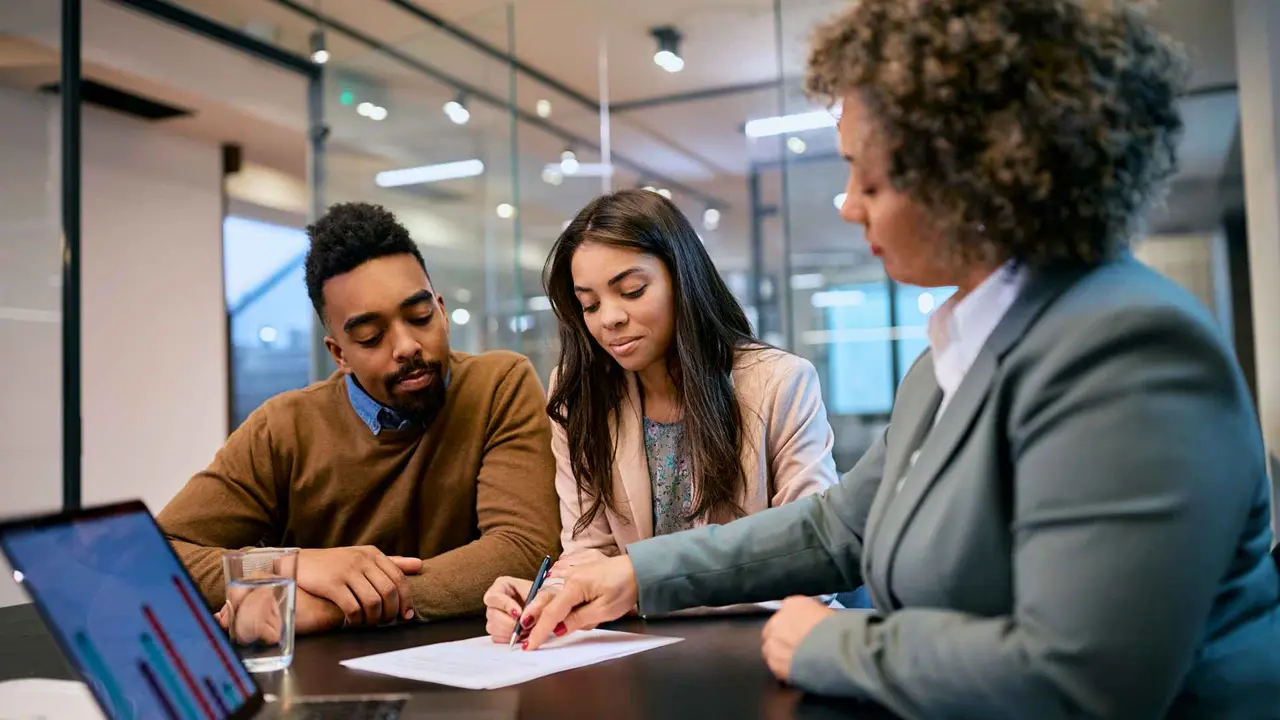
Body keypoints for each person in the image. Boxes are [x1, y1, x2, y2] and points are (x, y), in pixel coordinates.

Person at [498, 1, 1280, 717]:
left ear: (976, 172)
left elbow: (1082, 677)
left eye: (866, 173)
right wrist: (635, 574)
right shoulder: (956, 351)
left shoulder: (1128, 348)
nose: (846, 202)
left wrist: (833, 643)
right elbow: (840, 526)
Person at [158, 202, 560, 636]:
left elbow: (523, 549)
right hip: (326, 688)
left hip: (477, 680)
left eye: (420, 317)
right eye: (371, 336)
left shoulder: (499, 385)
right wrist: (290, 566)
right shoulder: (283, 428)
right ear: (339, 354)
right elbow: (154, 557)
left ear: (442, 312)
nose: (406, 345)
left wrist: (333, 608)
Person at [484, 189, 839, 641]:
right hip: (632, 654)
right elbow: (589, 551)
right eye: (588, 305)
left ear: (681, 278)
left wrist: (642, 587)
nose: (608, 318)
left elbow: (812, 560)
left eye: (632, 291)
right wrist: (549, 595)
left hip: (759, 648)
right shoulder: (578, 394)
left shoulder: (781, 383)